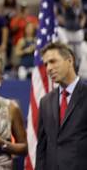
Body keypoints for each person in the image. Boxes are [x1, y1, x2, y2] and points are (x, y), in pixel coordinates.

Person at [37, 42, 87, 170]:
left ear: (69, 60)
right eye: (46, 64)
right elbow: (42, 147)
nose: (48, 68)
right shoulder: (45, 102)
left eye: (53, 61)